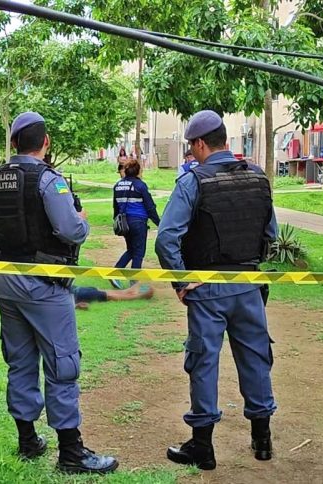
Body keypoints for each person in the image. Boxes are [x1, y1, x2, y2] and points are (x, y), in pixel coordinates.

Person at [0, 112, 118, 474]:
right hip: (46, 285)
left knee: (19, 360)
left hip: (7, 281)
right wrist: (82, 223)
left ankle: (28, 440)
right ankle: (71, 453)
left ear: (15, 143)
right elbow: (70, 230)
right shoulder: (49, 180)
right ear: (46, 143)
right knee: (62, 362)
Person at [155, 110, 278, 470]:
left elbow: (166, 239)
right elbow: (269, 233)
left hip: (207, 287)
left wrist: (180, 281)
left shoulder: (194, 182)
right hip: (249, 284)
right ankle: (262, 440)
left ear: (198, 144)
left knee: (204, 362)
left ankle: (202, 447)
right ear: (226, 140)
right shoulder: (258, 178)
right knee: (256, 357)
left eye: (191, 149)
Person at [111, 159, 160, 289]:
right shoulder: (140, 186)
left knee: (131, 250)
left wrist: (117, 221)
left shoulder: (118, 185)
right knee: (138, 252)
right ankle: (134, 282)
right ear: (138, 171)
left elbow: (115, 207)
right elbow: (150, 207)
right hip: (138, 222)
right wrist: (159, 223)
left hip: (125, 223)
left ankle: (115, 273)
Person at [72, 283, 153, 310]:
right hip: (75, 291)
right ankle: (137, 294)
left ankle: (136, 293)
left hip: (76, 292)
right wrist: (77, 306)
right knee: (107, 294)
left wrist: (76, 306)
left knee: (107, 294)